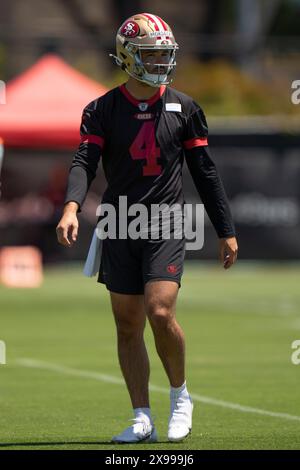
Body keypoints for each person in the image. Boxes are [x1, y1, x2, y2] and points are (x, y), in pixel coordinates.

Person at [56, 13, 238, 443]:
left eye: (164, 53)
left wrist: (225, 228)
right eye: (151, 53)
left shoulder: (185, 106)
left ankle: (180, 397)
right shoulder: (101, 109)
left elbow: (205, 172)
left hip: (166, 221)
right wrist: (70, 207)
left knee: (160, 310)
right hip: (120, 223)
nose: (160, 60)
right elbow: (85, 162)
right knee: (126, 323)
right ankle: (142, 417)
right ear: (127, 56)